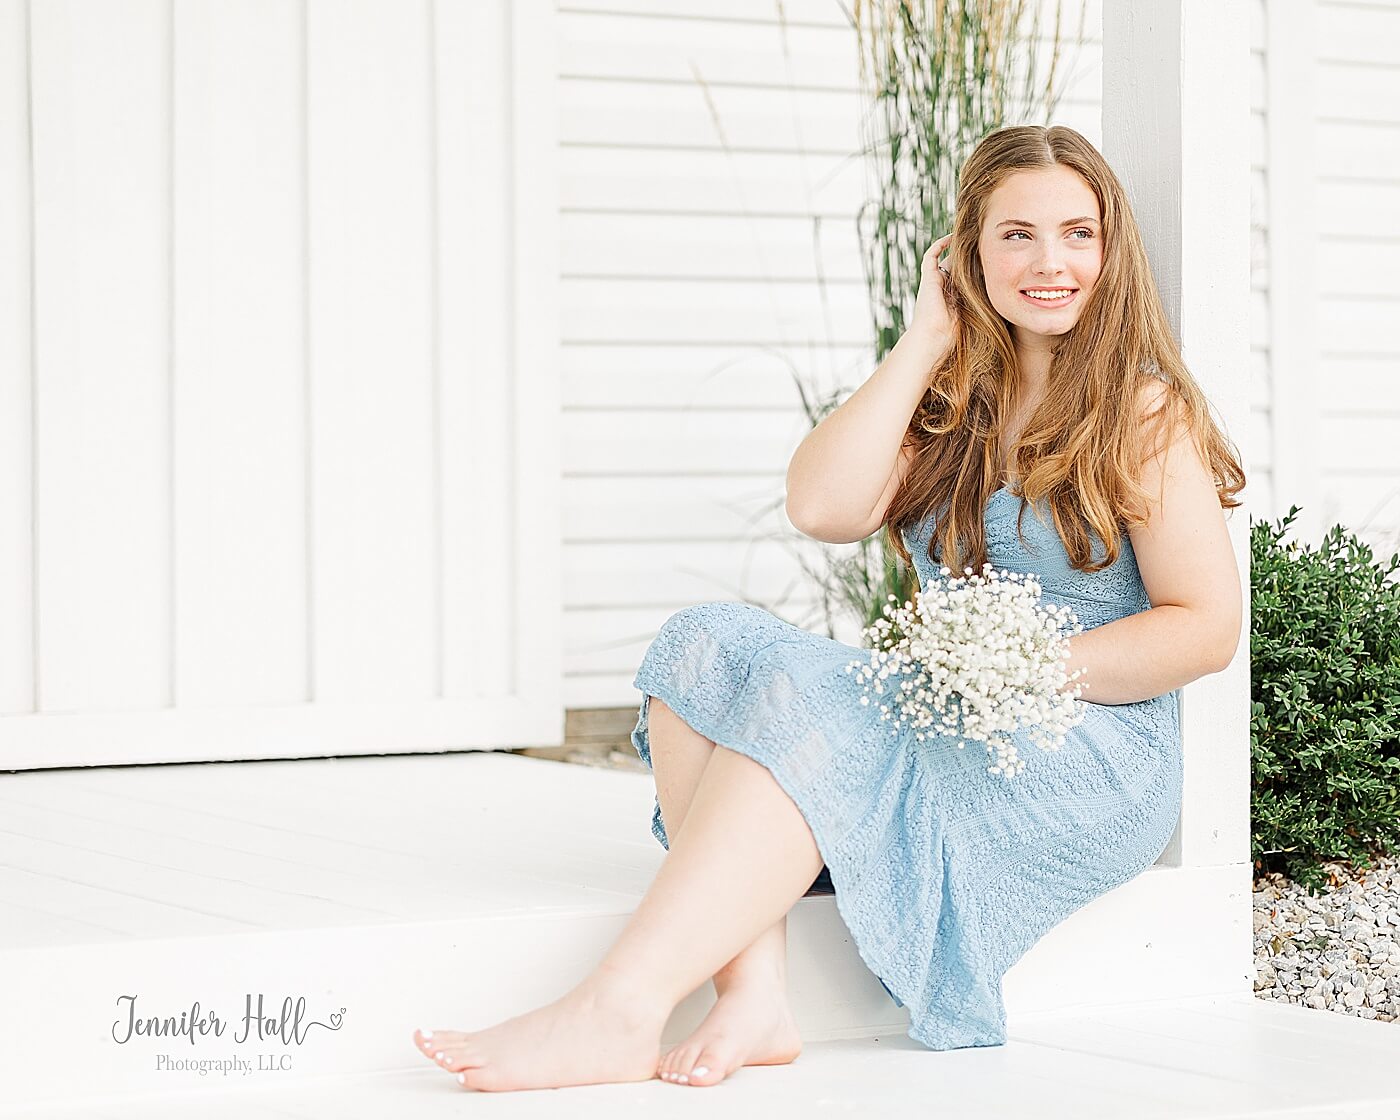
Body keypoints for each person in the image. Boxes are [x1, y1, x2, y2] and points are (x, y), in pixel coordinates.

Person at [410, 123, 1245, 1092]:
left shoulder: (1141, 415)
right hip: (944, 706)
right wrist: (924, 338)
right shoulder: (947, 400)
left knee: (830, 703)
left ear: (1110, 254)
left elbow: (1205, 625)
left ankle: (617, 1007)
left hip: (1086, 746)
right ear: (967, 252)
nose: (1047, 262)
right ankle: (752, 990)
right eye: (1014, 234)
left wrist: (1019, 671)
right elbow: (818, 503)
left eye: (1075, 234)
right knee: (700, 648)